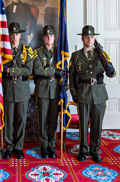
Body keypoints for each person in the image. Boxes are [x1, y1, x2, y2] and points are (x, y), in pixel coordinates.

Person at [69, 25, 116, 163]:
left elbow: (112, 74)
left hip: (99, 94)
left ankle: (94, 150)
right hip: (83, 93)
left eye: (92, 36)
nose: (89, 39)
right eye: (87, 36)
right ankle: (83, 150)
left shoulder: (102, 55)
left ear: (94, 38)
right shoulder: (76, 55)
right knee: (83, 125)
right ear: (82, 38)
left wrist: (110, 69)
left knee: (97, 125)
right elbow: (71, 76)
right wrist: (73, 94)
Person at [33, 25, 68, 159]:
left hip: (55, 90)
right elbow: (37, 70)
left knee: (53, 120)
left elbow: (65, 70)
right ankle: (43, 146)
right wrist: (53, 71)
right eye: (47, 36)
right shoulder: (37, 53)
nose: (49, 37)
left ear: (54, 37)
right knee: (42, 120)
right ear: (43, 38)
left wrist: (66, 84)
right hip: (42, 89)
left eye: (51, 35)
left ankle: (51, 145)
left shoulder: (60, 53)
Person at [2, 22, 35, 159]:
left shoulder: (27, 50)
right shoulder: (3, 52)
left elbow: (28, 70)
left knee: (21, 119)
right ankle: (9, 146)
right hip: (9, 88)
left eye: (16, 34)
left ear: (20, 35)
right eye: (12, 34)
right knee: (8, 119)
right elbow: (0, 70)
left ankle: (18, 146)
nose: (14, 36)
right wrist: (10, 71)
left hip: (22, 89)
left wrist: (10, 70)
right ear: (9, 35)